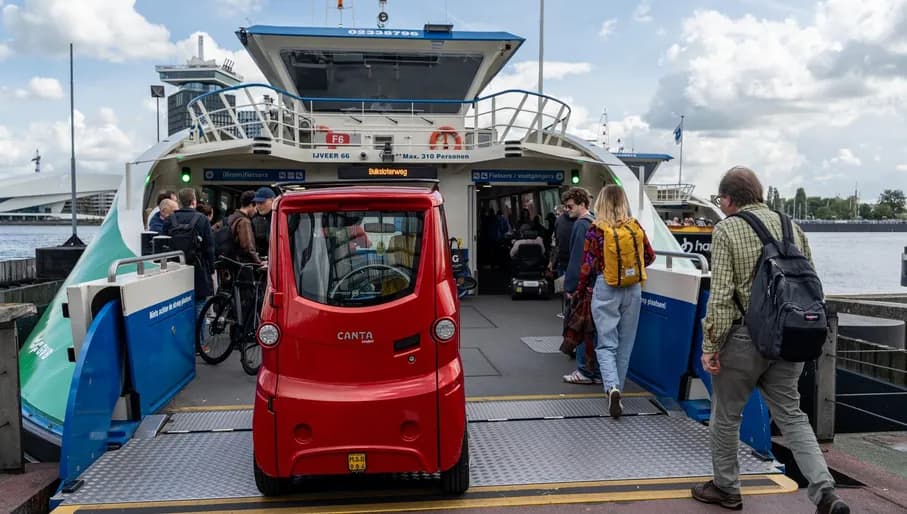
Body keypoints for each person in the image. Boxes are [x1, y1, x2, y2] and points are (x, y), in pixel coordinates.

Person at [692, 166, 849, 514]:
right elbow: (810, 283)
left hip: (743, 340)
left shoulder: (727, 228)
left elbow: (720, 296)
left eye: (721, 199)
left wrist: (710, 347)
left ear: (728, 199)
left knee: (726, 416)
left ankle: (727, 489)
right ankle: (825, 493)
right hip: (789, 337)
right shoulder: (793, 226)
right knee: (792, 416)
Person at [576, 185, 655, 418]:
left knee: (606, 344)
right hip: (633, 289)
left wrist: (579, 290)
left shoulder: (596, 230)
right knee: (625, 345)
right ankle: (617, 389)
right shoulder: (635, 227)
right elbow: (649, 256)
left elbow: (586, 266)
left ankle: (611, 388)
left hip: (606, 288)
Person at [560, 187, 601, 385]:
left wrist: (571, 287)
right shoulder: (595, 222)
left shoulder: (580, 225)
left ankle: (584, 370)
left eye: (570, 206)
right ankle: (597, 371)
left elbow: (578, 258)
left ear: (582, 204)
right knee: (594, 331)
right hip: (596, 283)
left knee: (581, 327)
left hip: (583, 286)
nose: (567, 209)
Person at [162, 188, 215, 316]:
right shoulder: (202, 219)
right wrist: (211, 269)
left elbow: (162, 245)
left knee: (177, 307)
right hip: (198, 269)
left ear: (180, 202)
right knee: (198, 307)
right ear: (194, 201)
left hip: (175, 270)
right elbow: (209, 247)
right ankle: (198, 336)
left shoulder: (170, 219)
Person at [231, 190, 263, 265]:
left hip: (231, 262)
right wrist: (259, 262)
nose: (256, 211)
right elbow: (248, 247)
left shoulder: (231, 217)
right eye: (256, 208)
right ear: (251, 205)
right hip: (241, 265)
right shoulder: (244, 221)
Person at [251, 187, 275, 259]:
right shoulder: (256, 220)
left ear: (273, 200)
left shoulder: (285, 218)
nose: (258, 206)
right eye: (256, 203)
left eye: (262, 202)